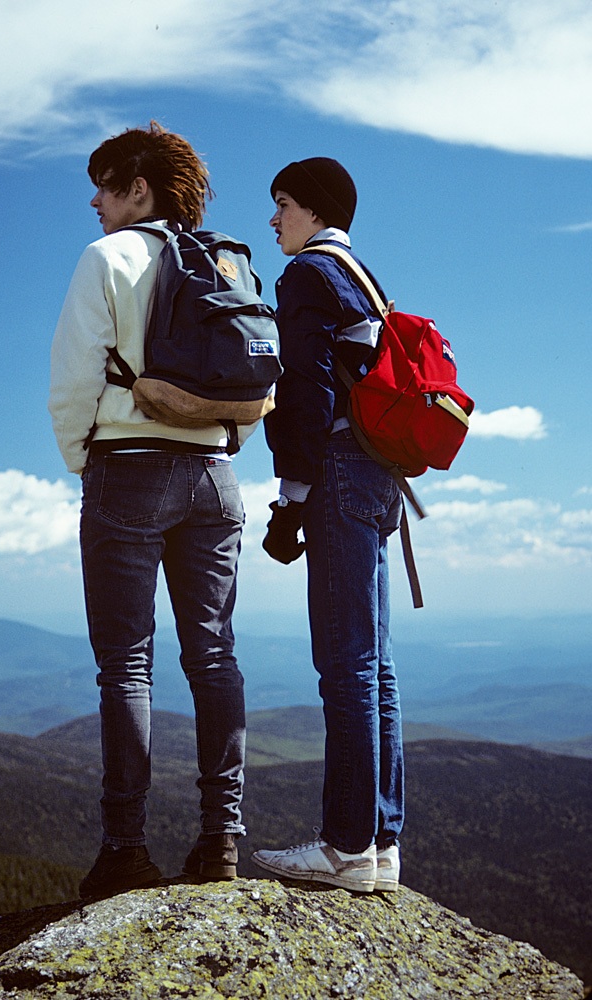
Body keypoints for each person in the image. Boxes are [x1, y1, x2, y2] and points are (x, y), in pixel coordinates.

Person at [49, 122, 249, 900]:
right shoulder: (226, 260)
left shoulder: (108, 257)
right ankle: (221, 839)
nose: (95, 203)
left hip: (127, 469)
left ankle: (125, 848)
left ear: (140, 189)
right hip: (214, 474)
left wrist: (85, 463)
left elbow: (71, 381)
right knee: (213, 655)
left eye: (105, 186)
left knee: (127, 665)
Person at [251, 157, 404, 893]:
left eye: (281, 204)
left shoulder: (306, 274)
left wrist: (289, 501)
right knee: (375, 665)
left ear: (311, 210)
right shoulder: (362, 274)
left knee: (343, 663)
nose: (273, 218)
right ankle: (379, 843)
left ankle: (345, 847)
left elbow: (303, 390)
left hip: (338, 471)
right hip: (380, 478)